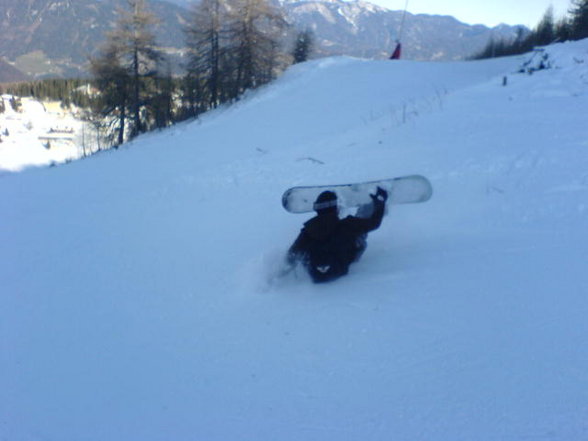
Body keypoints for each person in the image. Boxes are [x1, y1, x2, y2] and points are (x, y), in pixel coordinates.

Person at [287, 187, 388, 283]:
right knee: (360, 227)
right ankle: (370, 205)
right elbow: (374, 223)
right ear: (334, 208)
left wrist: (282, 272)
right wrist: (380, 203)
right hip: (341, 268)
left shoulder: (307, 231)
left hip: (316, 276)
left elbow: (291, 255)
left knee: (306, 248)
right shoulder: (348, 225)